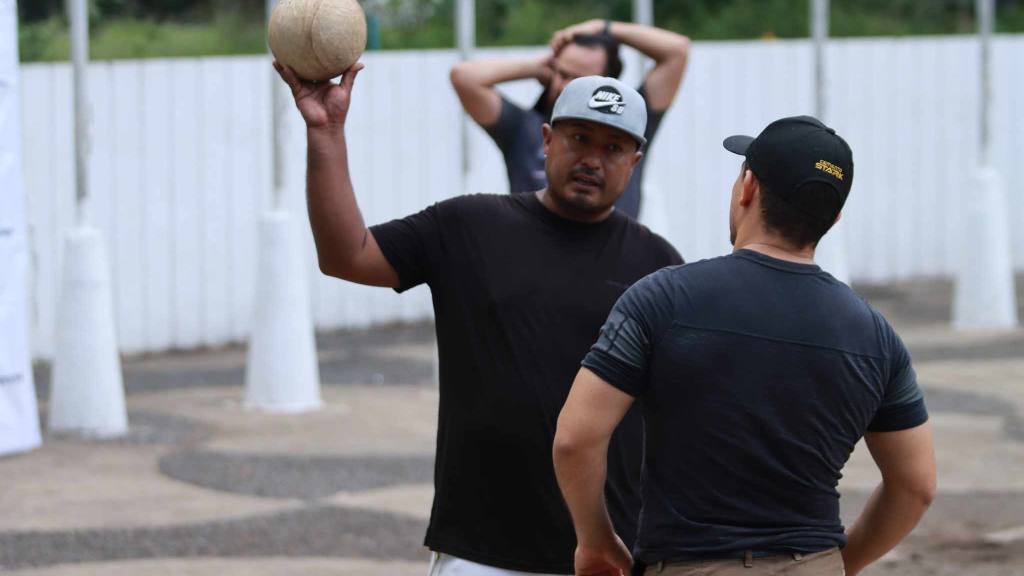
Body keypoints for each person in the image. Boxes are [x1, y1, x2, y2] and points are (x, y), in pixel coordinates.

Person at [273, 60, 683, 576]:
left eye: (613, 148)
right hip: (480, 552)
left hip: (608, 555)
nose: (593, 160)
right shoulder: (469, 226)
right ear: (547, 139)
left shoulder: (659, 267)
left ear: (635, 160)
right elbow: (346, 255)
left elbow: (683, 413)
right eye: (580, 137)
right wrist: (326, 132)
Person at [553, 116, 936, 576]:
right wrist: (837, 563)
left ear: (747, 187)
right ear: (832, 219)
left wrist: (595, 541)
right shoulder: (876, 336)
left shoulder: (662, 299)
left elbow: (576, 439)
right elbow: (915, 485)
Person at [450, 19, 690, 219]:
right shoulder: (522, 127)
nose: (563, 85)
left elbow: (677, 51)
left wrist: (604, 27)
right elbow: (464, 76)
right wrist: (537, 67)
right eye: (561, 73)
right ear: (547, 138)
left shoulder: (633, 127)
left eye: (613, 148)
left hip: (615, 267)